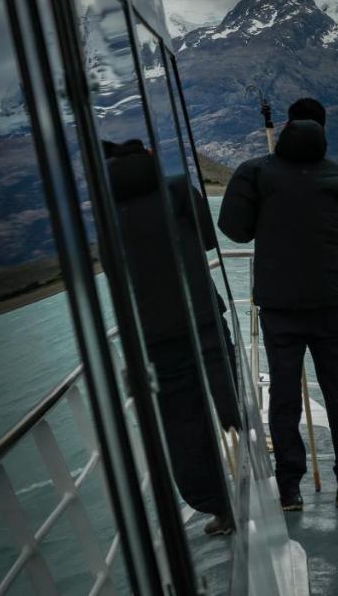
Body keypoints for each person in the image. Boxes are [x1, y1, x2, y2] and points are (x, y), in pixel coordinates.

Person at [217, 97, 338, 511]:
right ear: (323, 129)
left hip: (279, 308)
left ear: (284, 127)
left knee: (283, 397)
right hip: (332, 303)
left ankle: (288, 489)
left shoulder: (256, 173)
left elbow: (235, 230)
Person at [103, 139, 239, 537]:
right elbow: (208, 240)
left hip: (156, 338)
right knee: (230, 401)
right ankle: (260, 478)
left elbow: (115, 275)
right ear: (149, 159)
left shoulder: (110, 217)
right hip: (203, 318)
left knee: (182, 426)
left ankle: (218, 508)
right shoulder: (178, 188)